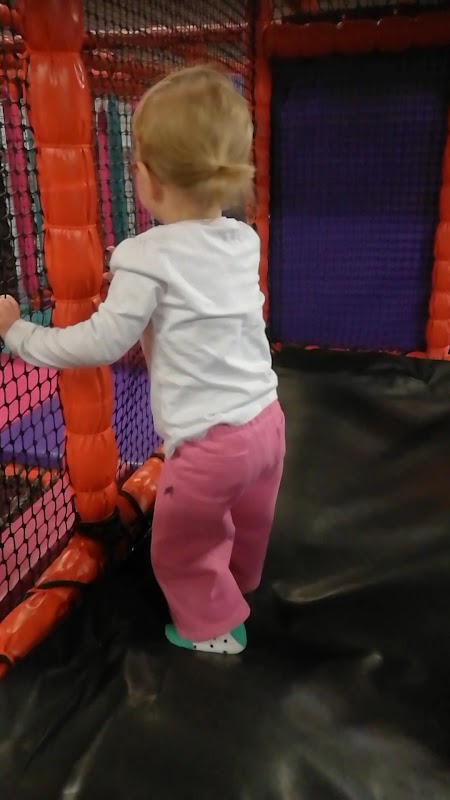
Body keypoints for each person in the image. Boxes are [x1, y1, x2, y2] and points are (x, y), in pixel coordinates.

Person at [0, 65, 285, 655]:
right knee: (247, 521)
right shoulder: (242, 239)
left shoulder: (144, 256)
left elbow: (101, 342)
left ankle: (213, 628)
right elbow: (190, 280)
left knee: (178, 549)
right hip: (268, 424)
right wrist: (130, 283)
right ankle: (241, 581)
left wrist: (18, 335)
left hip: (210, 449)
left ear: (148, 181)